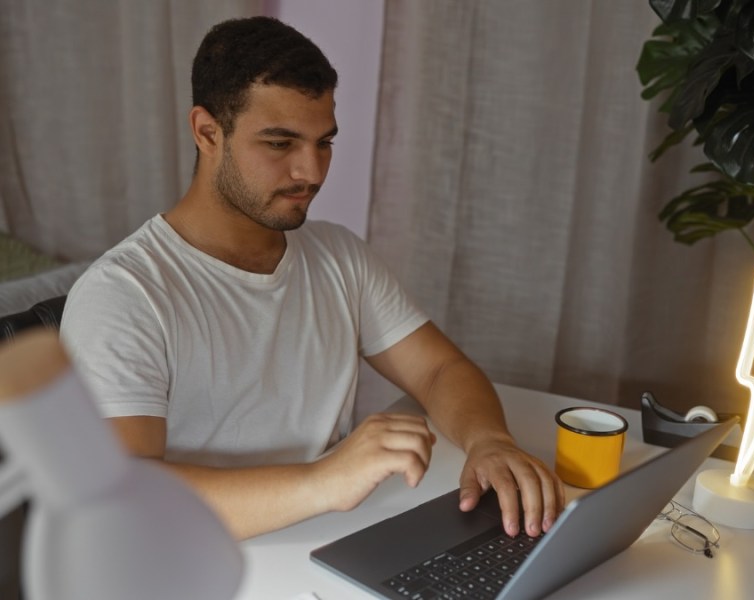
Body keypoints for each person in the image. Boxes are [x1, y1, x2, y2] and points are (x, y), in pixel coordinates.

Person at [60, 16, 564, 541]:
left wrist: (490, 441)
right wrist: (323, 481)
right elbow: (127, 499)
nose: (313, 171)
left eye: (324, 142)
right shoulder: (123, 295)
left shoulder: (338, 256)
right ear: (208, 132)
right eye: (280, 144)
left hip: (319, 544)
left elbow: (439, 370)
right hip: (199, 565)